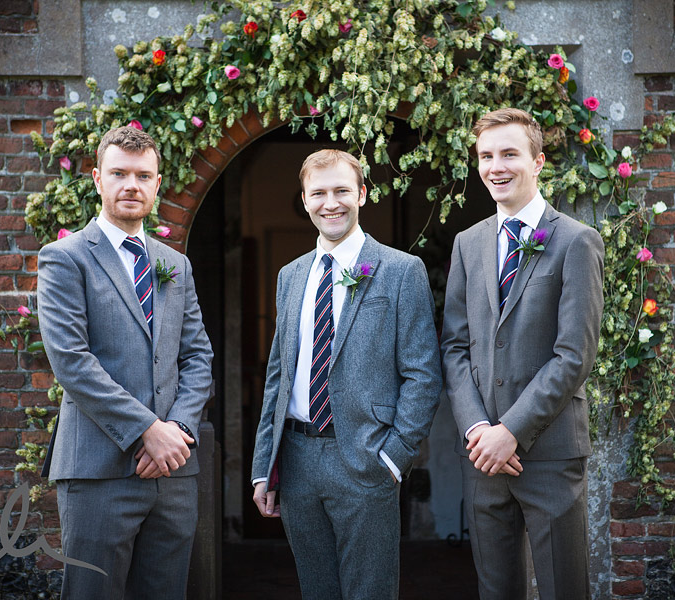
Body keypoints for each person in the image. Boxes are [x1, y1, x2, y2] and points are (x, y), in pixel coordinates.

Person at [250, 149, 442, 600]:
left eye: (341, 190)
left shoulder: (400, 271)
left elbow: (423, 374)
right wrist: (265, 465)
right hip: (296, 459)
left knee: (369, 591)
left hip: (365, 457)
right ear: (304, 199)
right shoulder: (291, 276)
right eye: (319, 193)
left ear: (362, 194)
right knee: (316, 590)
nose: (330, 202)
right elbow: (278, 376)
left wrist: (394, 457)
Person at [37, 125, 214, 599]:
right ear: (97, 179)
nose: (131, 185)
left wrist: (176, 431)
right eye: (119, 174)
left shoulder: (175, 263)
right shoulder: (64, 258)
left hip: (173, 473)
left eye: (143, 175)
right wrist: (146, 430)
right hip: (98, 470)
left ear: (158, 185)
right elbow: (72, 362)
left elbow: (197, 356)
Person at [441, 108, 604, 599]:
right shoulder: (468, 243)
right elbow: (454, 346)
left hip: (549, 453)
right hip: (484, 458)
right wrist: (479, 431)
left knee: (562, 590)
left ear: (538, 162)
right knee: (496, 590)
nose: (496, 167)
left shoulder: (576, 241)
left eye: (509, 154)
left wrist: (511, 432)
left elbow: (574, 356)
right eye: (486, 156)